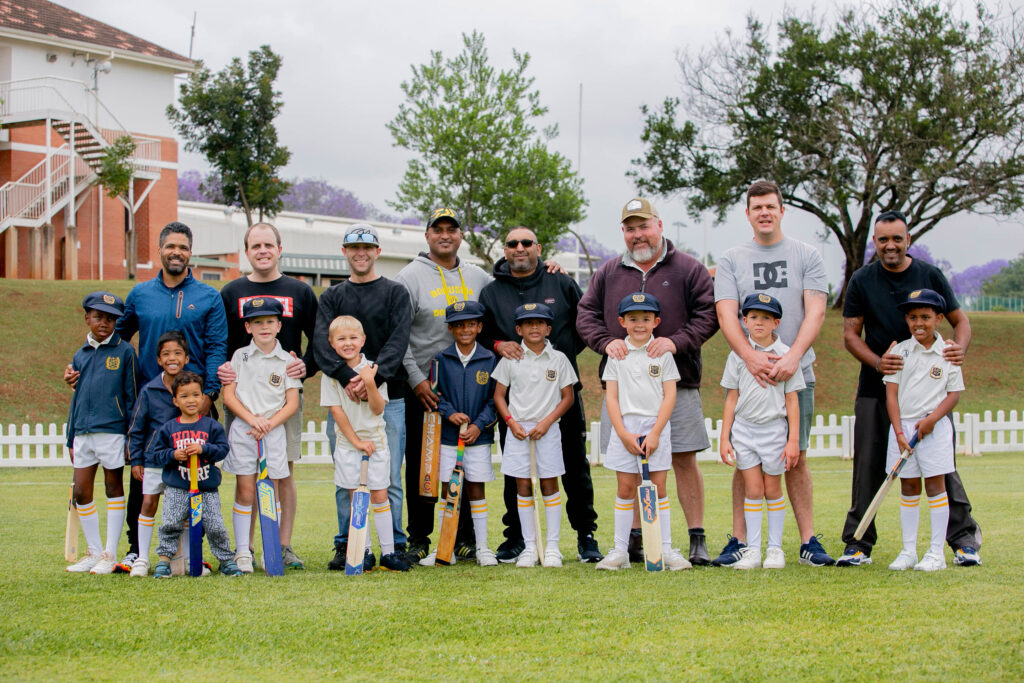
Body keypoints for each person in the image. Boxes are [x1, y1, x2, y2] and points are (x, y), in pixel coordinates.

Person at [65, 221, 228, 570]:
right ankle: (134, 550)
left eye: (183, 247)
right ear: (160, 249)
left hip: (193, 402)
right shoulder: (140, 294)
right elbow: (112, 341)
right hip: (150, 399)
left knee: (193, 475)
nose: (177, 252)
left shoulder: (209, 297)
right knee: (143, 476)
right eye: (171, 246)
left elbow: (216, 348)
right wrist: (81, 368)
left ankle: (190, 551)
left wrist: (208, 396)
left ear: (190, 252)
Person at [577, 198, 718, 565]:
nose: (638, 235)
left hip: (676, 382)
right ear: (623, 232)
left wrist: (676, 341)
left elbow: (708, 313)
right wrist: (606, 343)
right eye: (630, 228)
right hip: (623, 389)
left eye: (643, 226)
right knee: (629, 466)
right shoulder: (608, 272)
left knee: (682, 459)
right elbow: (586, 315)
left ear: (659, 225)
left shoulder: (688, 268)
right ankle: (636, 540)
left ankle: (695, 537)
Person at [839, 210, 981, 567]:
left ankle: (963, 540)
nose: (890, 245)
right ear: (875, 241)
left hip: (928, 392)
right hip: (878, 388)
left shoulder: (929, 275)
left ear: (908, 240)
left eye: (897, 239)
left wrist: (957, 350)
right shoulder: (862, 279)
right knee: (870, 466)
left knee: (939, 467)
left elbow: (960, 321)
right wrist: (876, 362)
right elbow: (850, 335)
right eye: (883, 239)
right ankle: (858, 543)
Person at [712, 180, 834, 567]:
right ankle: (740, 541)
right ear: (747, 213)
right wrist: (749, 356)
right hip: (749, 372)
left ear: (783, 211)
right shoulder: (731, 258)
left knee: (792, 456)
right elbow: (726, 312)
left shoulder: (806, 254)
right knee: (746, 455)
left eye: (770, 206)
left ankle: (807, 540)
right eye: (756, 207)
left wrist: (793, 356)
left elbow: (815, 310)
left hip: (794, 370)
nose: (764, 212)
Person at [479, 226, 602, 563]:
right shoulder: (491, 293)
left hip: (559, 392)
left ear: (539, 247)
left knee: (574, 466)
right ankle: (518, 537)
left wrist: (562, 354)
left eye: (526, 242)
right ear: (504, 250)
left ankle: (585, 535)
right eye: (512, 243)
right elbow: (480, 334)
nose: (520, 248)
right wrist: (496, 344)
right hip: (517, 400)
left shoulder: (560, 282)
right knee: (516, 471)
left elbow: (586, 322)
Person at [395, 208, 494, 563]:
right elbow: (399, 334)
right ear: (427, 236)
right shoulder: (409, 276)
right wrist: (416, 379)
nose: (445, 235)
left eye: (452, 229)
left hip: (467, 383)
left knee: (462, 462)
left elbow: (511, 280)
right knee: (424, 463)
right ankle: (419, 536)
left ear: (460, 236)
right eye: (438, 229)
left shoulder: (478, 276)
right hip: (424, 386)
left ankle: (464, 537)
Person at [311, 224, 411, 570]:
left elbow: (398, 342)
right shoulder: (332, 297)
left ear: (377, 252)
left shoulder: (395, 293)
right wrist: (349, 378)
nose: (361, 253)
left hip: (388, 397)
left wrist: (371, 377)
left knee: (389, 477)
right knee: (347, 477)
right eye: (354, 247)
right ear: (345, 252)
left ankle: (393, 545)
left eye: (367, 247)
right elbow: (322, 346)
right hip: (343, 399)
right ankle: (348, 545)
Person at [219, 222, 317, 570]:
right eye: (255, 245)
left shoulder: (299, 291)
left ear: (279, 248)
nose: (262, 250)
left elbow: (317, 340)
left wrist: (306, 366)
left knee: (282, 472)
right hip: (243, 396)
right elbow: (221, 339)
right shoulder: (231, 292)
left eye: (268, 244)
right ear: (247, 251)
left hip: (282, 394)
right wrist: (222, 369)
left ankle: (282, 545)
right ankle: (243, 547)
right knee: (246, 475)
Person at [595, 293, 690, 571]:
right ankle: (619, 551)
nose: (640, 324)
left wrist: (656, 432)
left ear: (656, 322)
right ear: (622, 322)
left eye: (646, 319)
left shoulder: (662, 354)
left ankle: (666, 549)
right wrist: (623, 434)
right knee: (625, 489)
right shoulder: (616, 354)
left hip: (654, 427)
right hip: (625, 427)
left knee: (658, 489)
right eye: (633, 319)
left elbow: (669, 395)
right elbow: (611, 398)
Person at [719, 294, 804, 570]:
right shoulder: (738, 355)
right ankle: (753, 550)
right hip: (744, 430)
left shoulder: (787, 354)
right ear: (744, 320)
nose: (759, 322)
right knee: (753, 489)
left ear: (776, 322)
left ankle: (775, 550)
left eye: (766, 317)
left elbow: (792, 400)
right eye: (754, 317)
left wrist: (793, 441)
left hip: (774, 430)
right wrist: (725, 437)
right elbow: (731, 398)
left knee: (772, 489)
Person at [320, 315, 412, 572]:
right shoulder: (332, 374)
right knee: (356, 498)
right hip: (349, 445)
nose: (348, 343)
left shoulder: (372, 368)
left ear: (362, 340)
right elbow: (337, 412)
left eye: (353, 338)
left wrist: (370, 383)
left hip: (376, 443)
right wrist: (357, 442)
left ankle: (390, 553)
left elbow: (378, 407)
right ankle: (365, 552)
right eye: (341, 339)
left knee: (380, 496)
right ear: (331, 343)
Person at [883, 289, 964, 572]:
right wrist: (899, 432)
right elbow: (891, 395)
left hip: (934, 427)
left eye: (926, 317)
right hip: (903, 428)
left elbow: (953, 394)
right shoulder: (899, 351)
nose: (919, 322)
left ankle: (935, 553)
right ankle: (908, 551)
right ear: (906, 319)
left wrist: (931, 420)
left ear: (939, 318)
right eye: (913, 317)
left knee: (934, 485)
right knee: (908, 486)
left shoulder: (949, 352)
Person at [492, 303, 577, 568]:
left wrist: (548, 421)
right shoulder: (510, 359)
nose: (535, 328)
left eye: (540, 323)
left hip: (548, 429)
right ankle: (530, 547)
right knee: (523, 486)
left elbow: (568, 397)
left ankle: (552, 547)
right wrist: (510, 423)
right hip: (518, 431)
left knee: (550, 484)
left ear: (548, 328)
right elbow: (498, 395)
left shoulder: (559, 359)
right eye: (528, 323)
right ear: (519, 329)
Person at [221, 297, 301, 574]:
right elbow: (229, 395)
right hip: (245, 431)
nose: (264, 327)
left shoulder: (287, 359)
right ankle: (243, 550)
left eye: (269, 321)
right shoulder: (240, 356)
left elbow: (292, 403)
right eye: (257, 322)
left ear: (279, 325)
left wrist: (268, 423)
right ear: (248, 326)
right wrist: (252, 419)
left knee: (272, 492)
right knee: (245, 491)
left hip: (273, 433)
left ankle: (271, 549)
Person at [420, 301, 499, 567]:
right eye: (459, 325)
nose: (465, 329)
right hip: (448, 438)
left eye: (470, 324)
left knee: (476, 489)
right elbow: (434, 395)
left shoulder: (490, 359)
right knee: (447, 491)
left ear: (479, 327)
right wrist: (449, 413)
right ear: (452, 329)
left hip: (478, 438)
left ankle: (484, 548)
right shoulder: (440, 360)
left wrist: (479, 425)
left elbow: (495, 400)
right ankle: (446, 547)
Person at [65, 292, 139, 574]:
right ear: (87, 318)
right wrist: (70, 436)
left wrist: (131, 438)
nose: (104, 323)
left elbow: (132, 398)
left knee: (113, 488)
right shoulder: (80, 354)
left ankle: (109, 553)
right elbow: (77, 397)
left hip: (112, 432)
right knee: (82, 491)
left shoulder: (124, 352)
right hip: (83, 432)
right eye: (98, 317)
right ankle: (94, 551)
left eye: (110, 318)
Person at [150, 371, 242, 578]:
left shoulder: (212, 426)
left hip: (206, 487)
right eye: (184, 396)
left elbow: (222, 449)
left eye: (195, 395)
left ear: (202, 397)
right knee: (171, 523)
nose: (190, 400)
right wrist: (173, 454)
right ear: (175, 401)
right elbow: (156, 455)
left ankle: (226, 560)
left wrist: (203, 449)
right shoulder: (168, 429)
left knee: (215, 525)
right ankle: (164, 560)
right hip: (177, 487)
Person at [126, 330, 190, 577]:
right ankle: (142, 557)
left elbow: (203, 423)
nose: (172, 358)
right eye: (166, 354)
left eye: (177, 353)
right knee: (149, 503)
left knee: (182, 509)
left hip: (184, 460)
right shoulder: (149, 390)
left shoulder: (192, 386)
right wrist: (136, 459)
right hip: (154, 459)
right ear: (158, 360)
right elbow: (137, 427)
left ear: (186, 357)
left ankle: (183, 560)